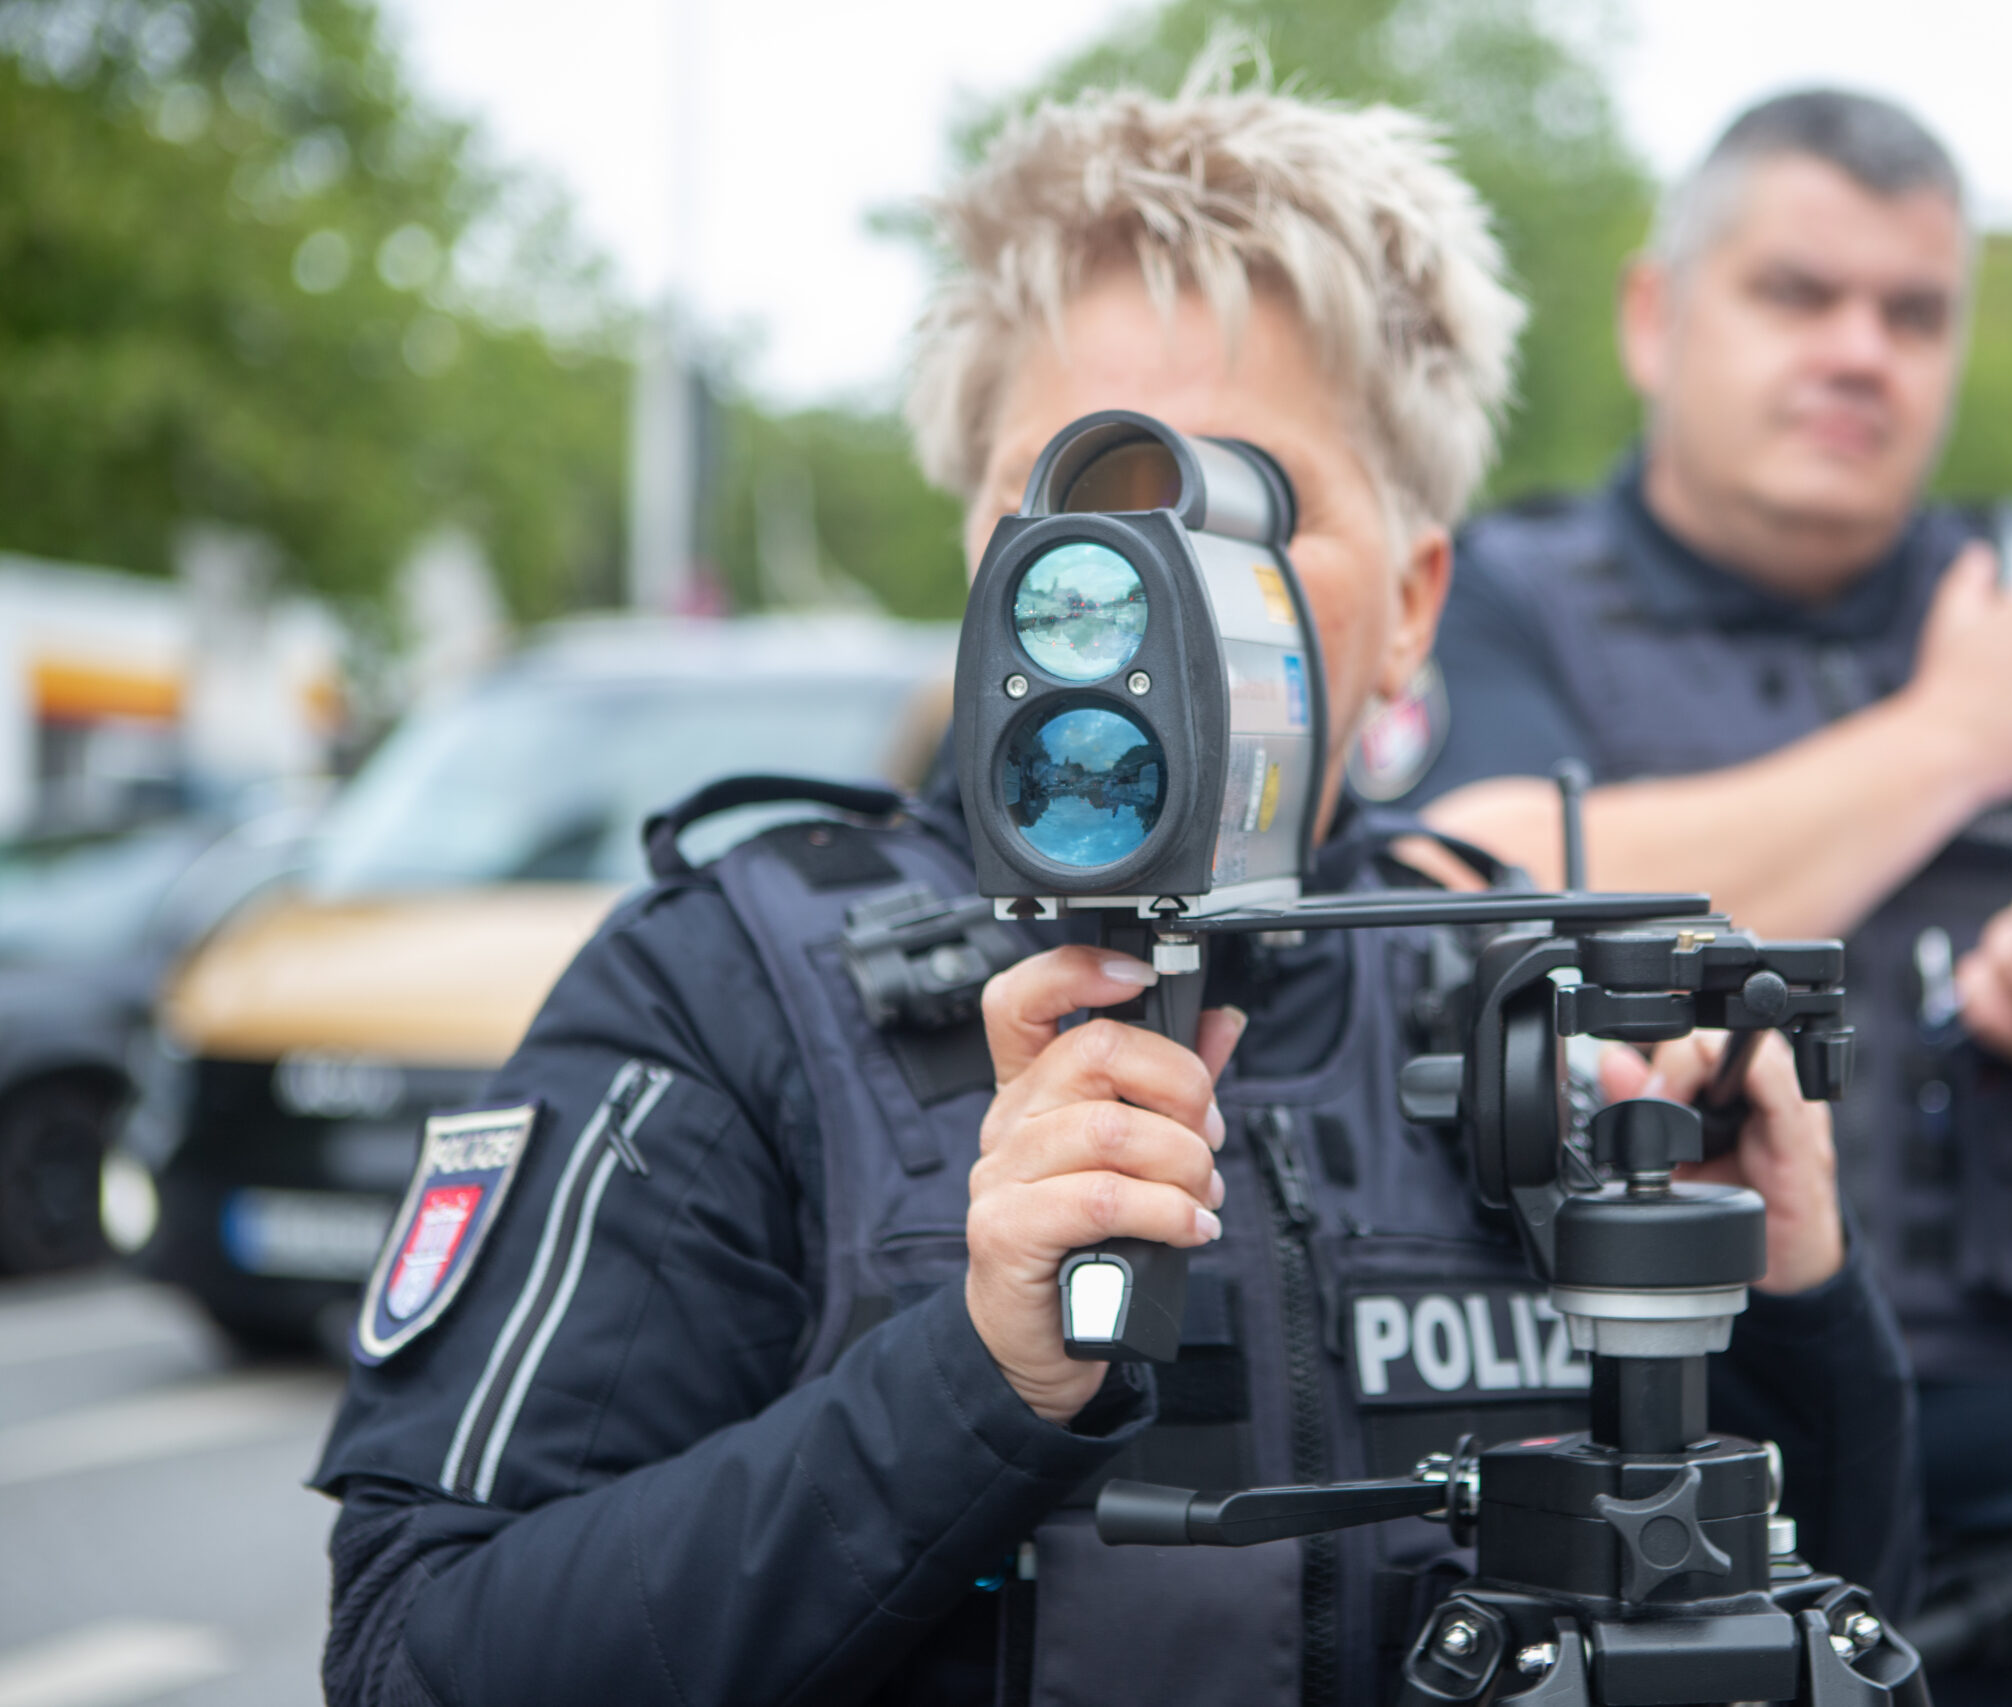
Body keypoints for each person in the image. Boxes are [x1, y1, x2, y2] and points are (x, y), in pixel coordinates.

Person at [310, 75, 1920, 1707]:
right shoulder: (724, 992)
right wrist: (976, 1377)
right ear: (980, 556)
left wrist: (1793, 1307)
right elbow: (416, 1656)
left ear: (1420, 597)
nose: (1144, 598)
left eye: (1245, 510)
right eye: (1080, 513)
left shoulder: (1527, 998)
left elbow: (1832, 1629)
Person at [1400, 89, 2012, 1706]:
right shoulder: (1505, 599)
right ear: (1658, 315)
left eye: (1913, 313)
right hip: (1616, 1602)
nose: (1861, 351)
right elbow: (1470, 890)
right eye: (1798, 293)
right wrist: (1958, 737)